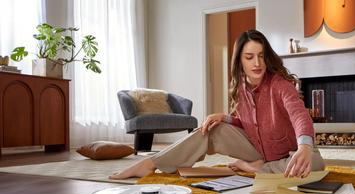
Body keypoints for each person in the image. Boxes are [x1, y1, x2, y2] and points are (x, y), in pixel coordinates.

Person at [109, 30, 325, 180]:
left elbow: (299, 115)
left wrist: (305, 146)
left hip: (293, 152)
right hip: (260, 150)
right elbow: (254, 126)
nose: (257, 63)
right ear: (240, 59)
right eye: (249, 57)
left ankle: (257, 168)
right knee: (212, 128)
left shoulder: (280, 84)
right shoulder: (239, 88)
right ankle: (150, 164)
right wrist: (227, 118)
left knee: (315, 165)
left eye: (261, 56)